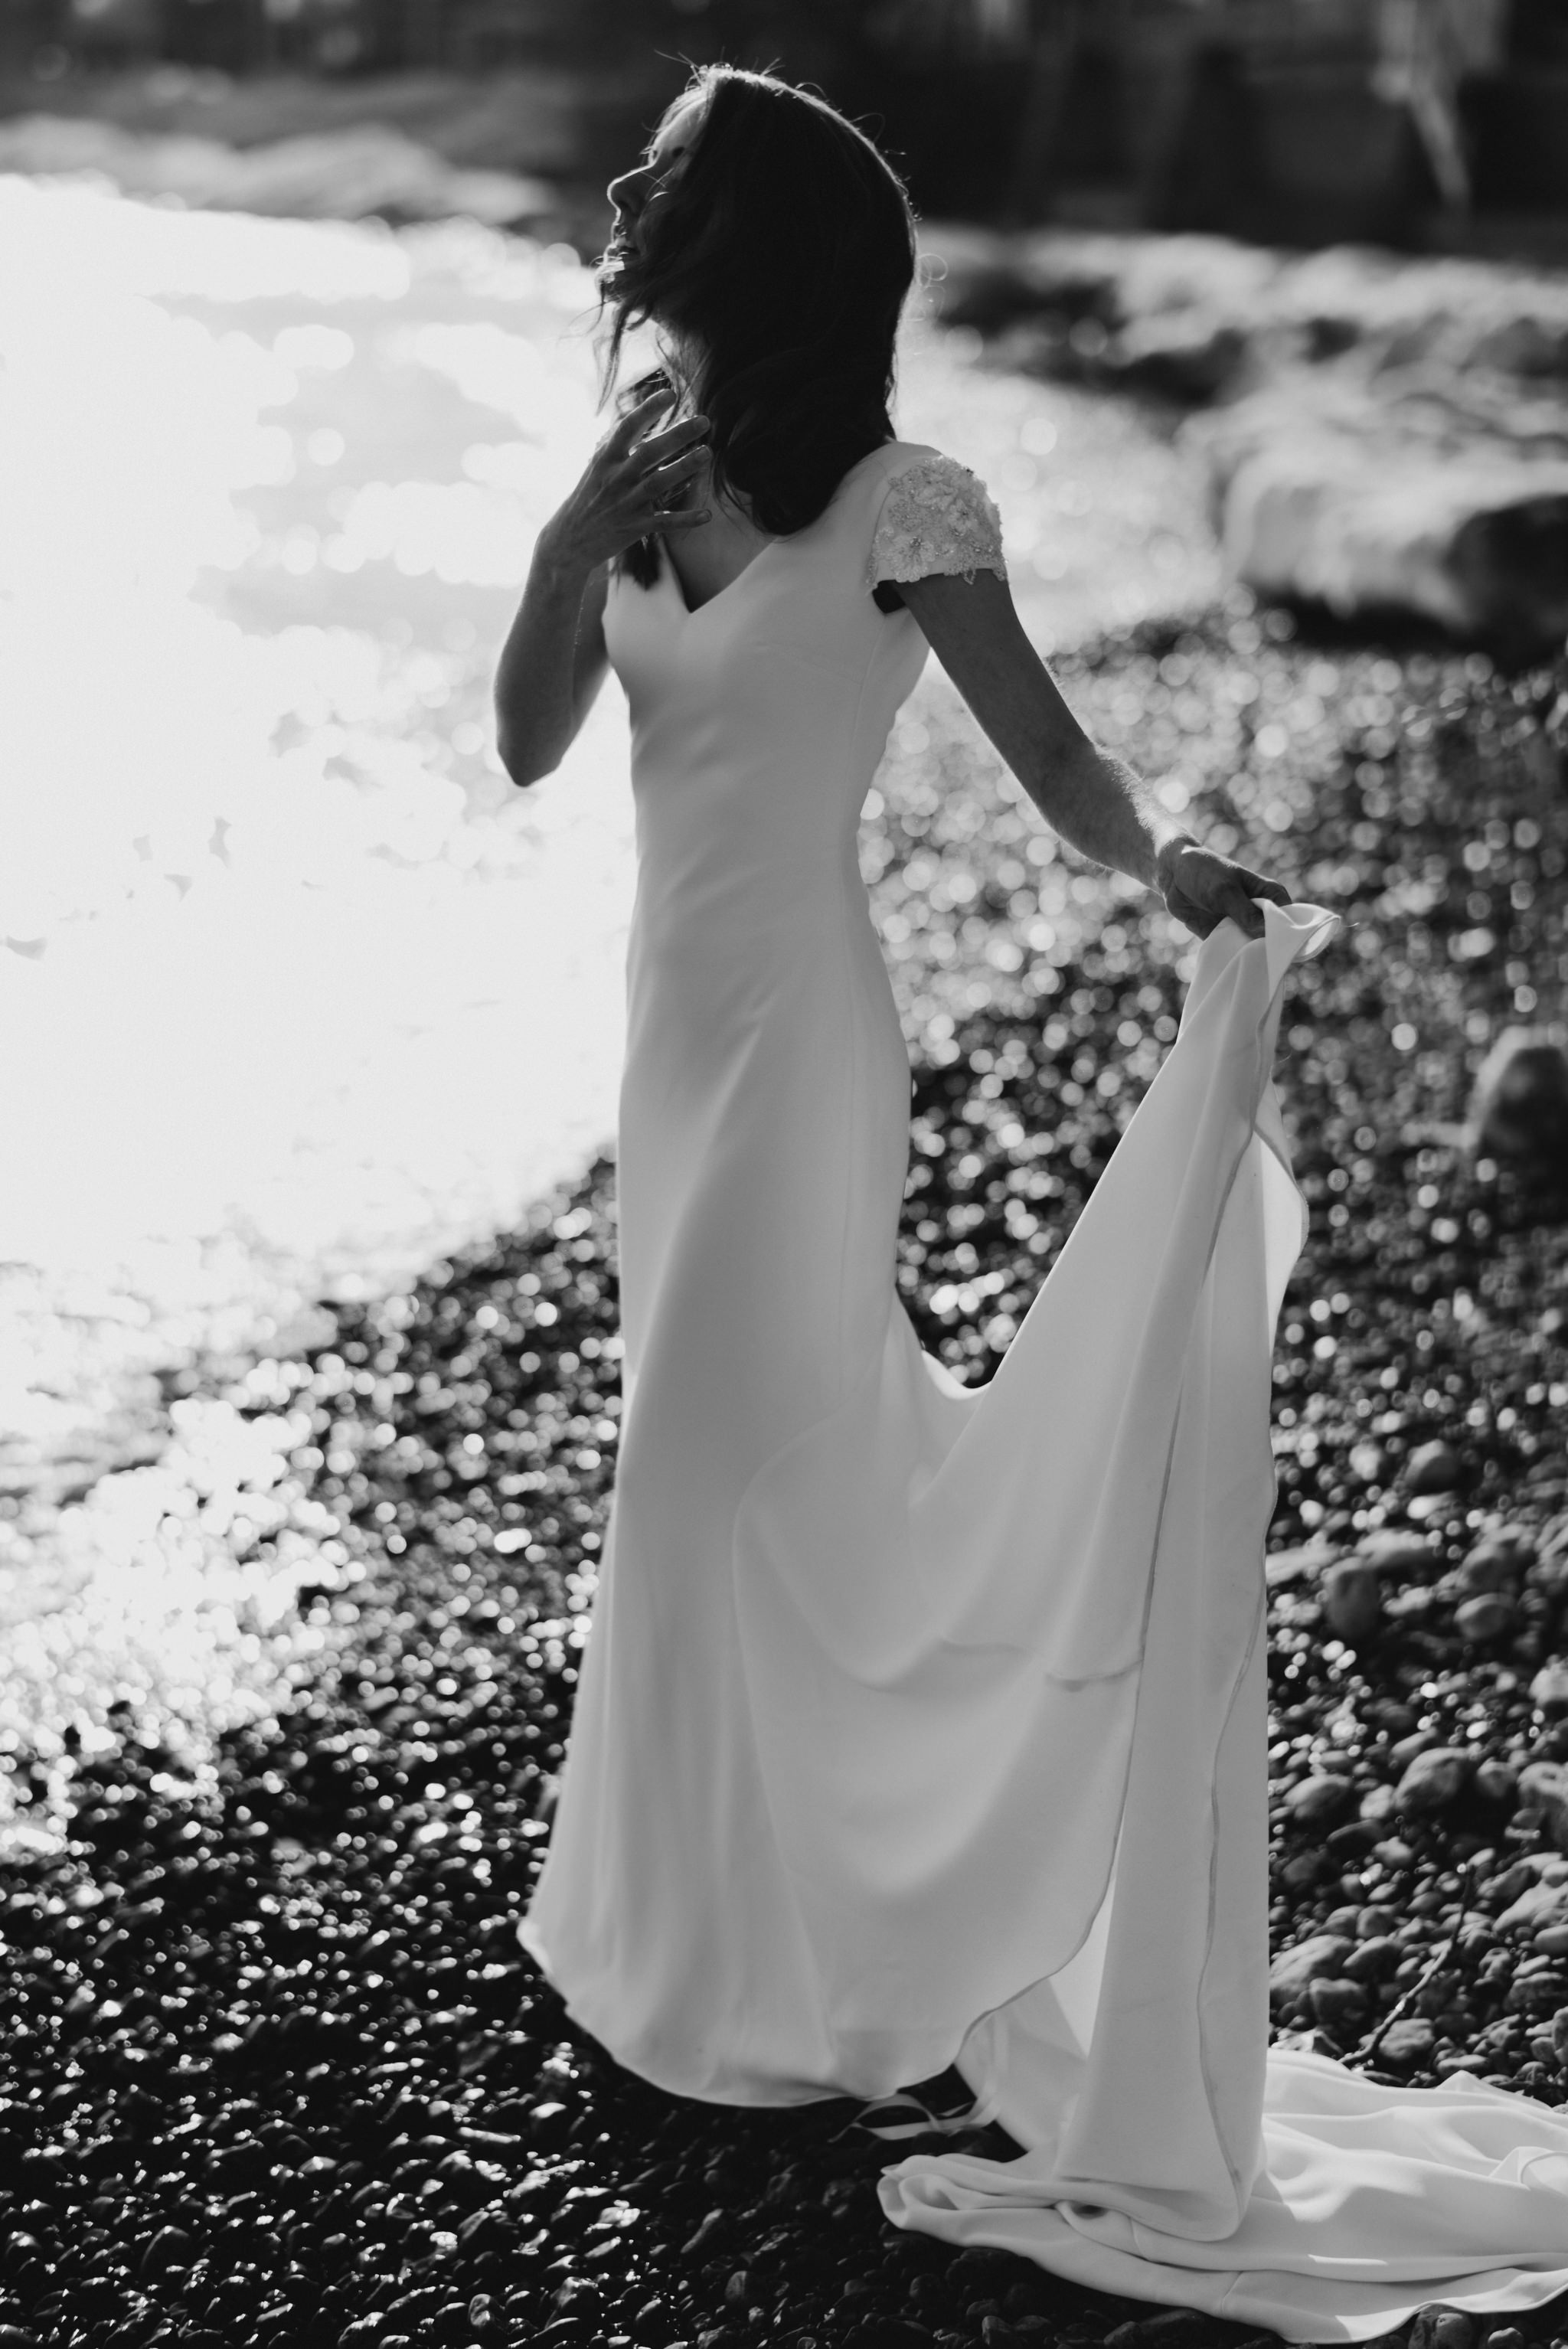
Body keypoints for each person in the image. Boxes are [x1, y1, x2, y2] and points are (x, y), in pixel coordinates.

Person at [494, 64, 1568, 2348]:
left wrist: (1170, 861)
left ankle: (772, 1976)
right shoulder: (641, 475)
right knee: (713, 1501)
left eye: (661, 175)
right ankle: (714, 1940)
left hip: (808, 1057)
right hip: (667, 1067)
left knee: (711, 1473)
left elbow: (1061, 760)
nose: (619, 193)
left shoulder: (910, 502)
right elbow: (521, 741)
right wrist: (567, 528)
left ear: (747, 236)